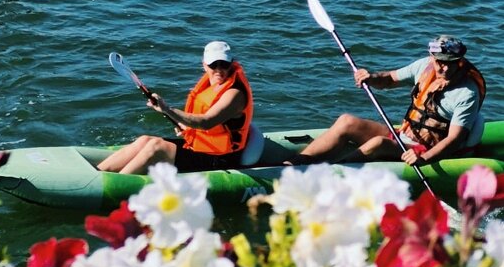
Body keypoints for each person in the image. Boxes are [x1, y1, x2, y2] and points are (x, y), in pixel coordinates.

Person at [291, 36, 486, 167]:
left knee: (378, 144)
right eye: (439, 62)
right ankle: (295, 163)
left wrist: (423, 158)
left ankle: (333, 173)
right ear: (432, 57)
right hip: (404, 135)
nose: (442, 68)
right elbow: (390, 79)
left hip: (427, 149)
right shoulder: (424, 67)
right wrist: (371, 77)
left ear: (459, 61)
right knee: (346, 121)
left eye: (449, 63)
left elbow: (454, 140)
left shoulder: (467, 93)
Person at [97, 41, 253, 175]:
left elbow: (206, 122)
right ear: (204, 65)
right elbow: (205, 125)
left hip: (222, 158)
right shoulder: (212, 86)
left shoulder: (235, 94)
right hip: (202, 148)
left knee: (156, 148)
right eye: (214, 64)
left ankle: (115, 183)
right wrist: (186, 127)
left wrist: (167, 109)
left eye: (224, 64)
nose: (219, 69)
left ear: (231, 64)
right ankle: (97, 173)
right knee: (144, 140)